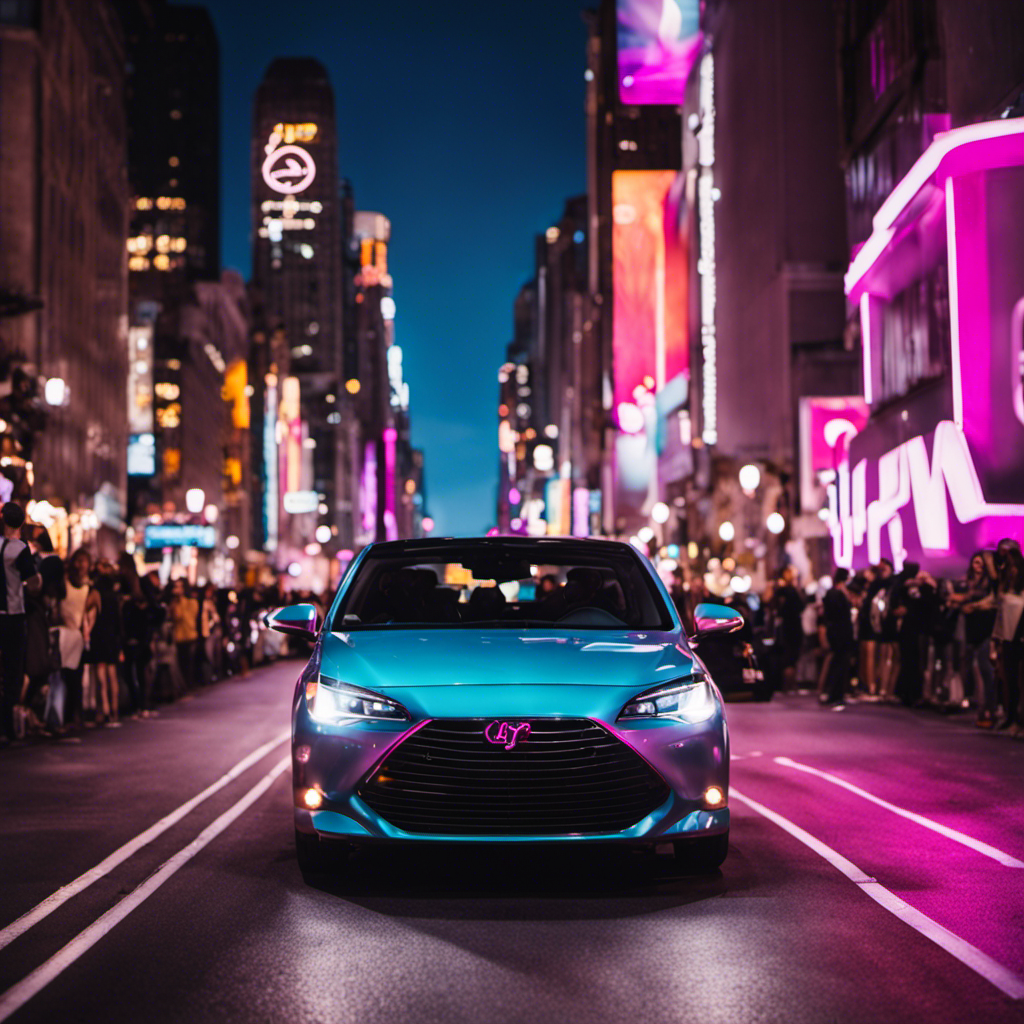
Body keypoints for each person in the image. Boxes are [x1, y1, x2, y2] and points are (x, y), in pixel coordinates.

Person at [0, 502, 42, 744]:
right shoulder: (20, 548)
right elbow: (34, 583)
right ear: (21, 522)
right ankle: (9, 727)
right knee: (13, 671)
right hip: (13, 615)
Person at [59, 548, 100, 727]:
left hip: (78, 636)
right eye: (78, 561)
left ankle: (74, 715)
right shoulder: (64, 583)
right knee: (63, 677)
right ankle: (65, 715)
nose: (80, 565)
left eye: (84, 561)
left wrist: (86, 632)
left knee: (76, 678)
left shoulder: (90, 588)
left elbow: (91, 615)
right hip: (63, 634)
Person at [89, 560, 124, 727]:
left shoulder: (96, 593)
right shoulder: (114, 595)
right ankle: (115, 709)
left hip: (99, 635)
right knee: (113, 675)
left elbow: (86, 607)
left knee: (101, 675)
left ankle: (104, 710)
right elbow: (119, 621)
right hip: (113, 636)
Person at [992, 548, 1024, 735]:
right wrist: (995, 640)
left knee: (1021, 681)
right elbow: (999, 617)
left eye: (1013, 565)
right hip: (1008, 638)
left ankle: (1019, 720)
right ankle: (1011, 717)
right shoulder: (1006, 587)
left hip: (1021, 638)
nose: (1010, 569)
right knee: (1009, 681)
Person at [822, 569, 855, 708]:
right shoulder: (838, 593)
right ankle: (836, 694)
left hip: (834, 631)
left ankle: (833, 693)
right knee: (840, 663)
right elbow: (841, 614)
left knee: (837, 662)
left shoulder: (831, 592)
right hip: (841, 632)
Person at [169, 578, 199, 689]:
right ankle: (185, 687)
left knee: (189, 663)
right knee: (181, 664)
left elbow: (184, 616)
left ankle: (190, 685)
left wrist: (180, 600)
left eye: (179, 586)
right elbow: (176, 616)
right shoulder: (174, 603)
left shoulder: (191, 602)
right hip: (179, 637)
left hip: (190, 635)